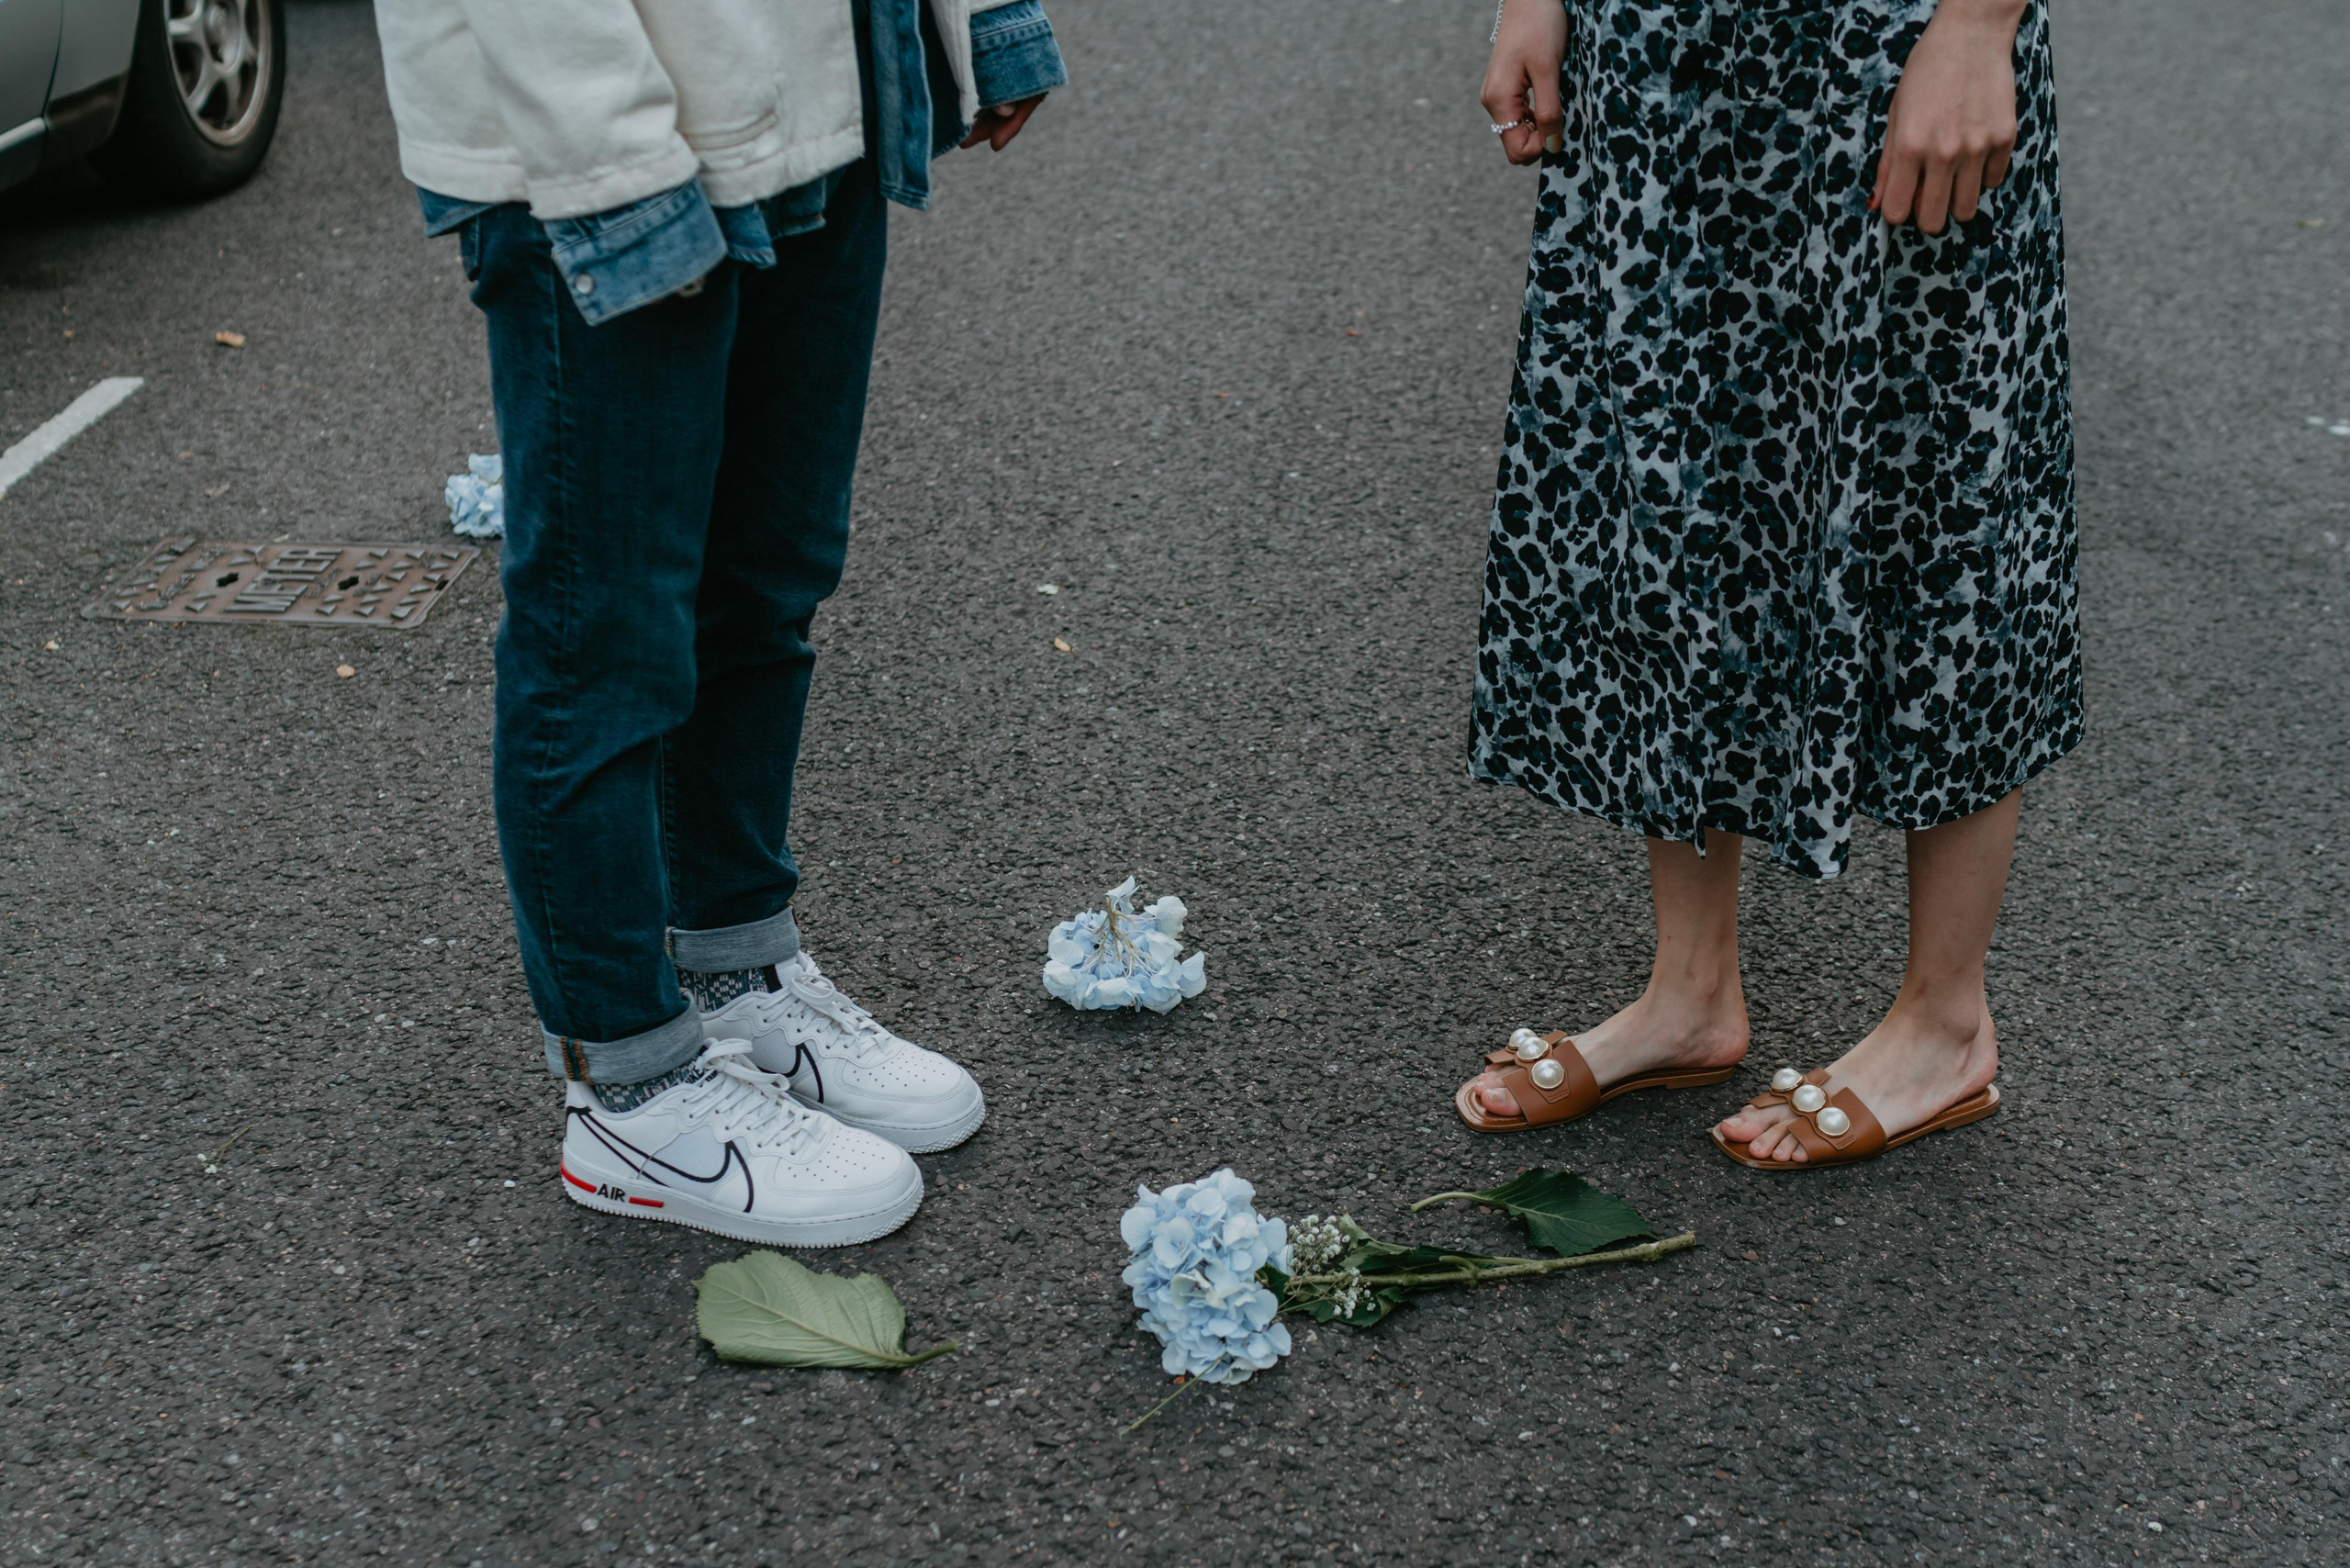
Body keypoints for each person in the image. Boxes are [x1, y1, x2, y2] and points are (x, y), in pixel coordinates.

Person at [369, 0, 1067, 1240]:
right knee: (603, 633)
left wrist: (983, 22)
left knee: (766, 580)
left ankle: (737, 970)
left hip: (822, 88)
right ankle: (628, 1087)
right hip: (598, 131)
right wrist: (615, 166)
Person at [1457, 0, 2076, 1169]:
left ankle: (1944, 1024)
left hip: (1886, 39)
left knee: (1940, 492)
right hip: (1661, 50)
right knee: (1674, 490)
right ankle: (1689, 993)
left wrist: (1977, 27)